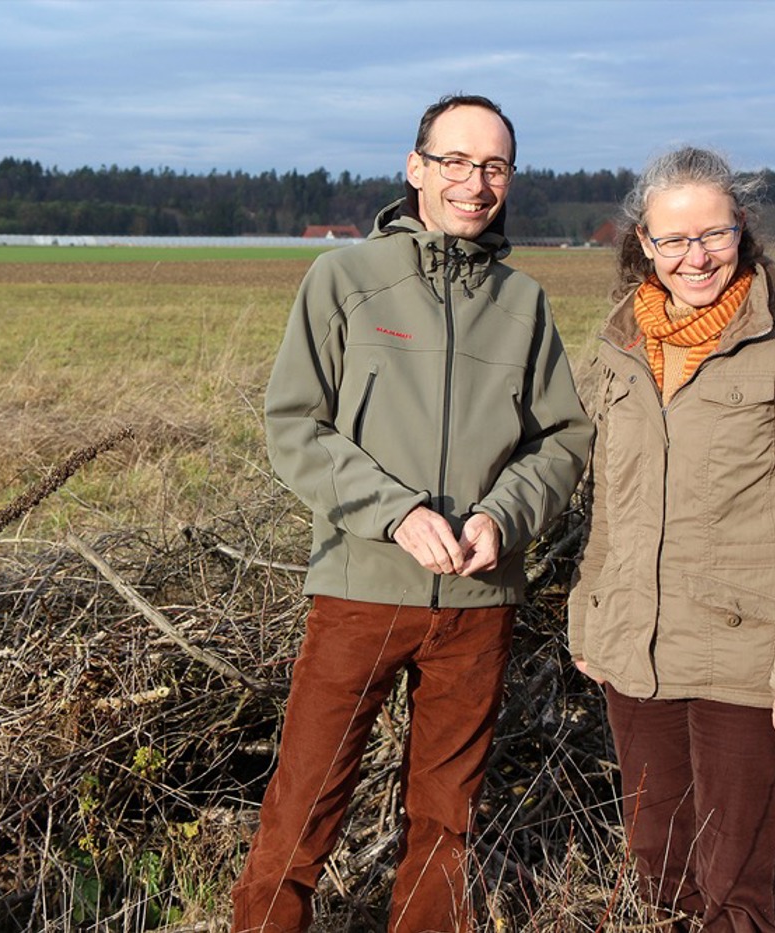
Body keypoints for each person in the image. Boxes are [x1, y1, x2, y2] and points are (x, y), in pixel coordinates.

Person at [231, 94, 593, 933]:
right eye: (457, 162)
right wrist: (394, 514)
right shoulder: (346, 279)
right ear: (416, 168)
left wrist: (504, 516)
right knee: (303, 806)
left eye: (495, 165)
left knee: (446, 821)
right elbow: (294, 424)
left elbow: (563, 440)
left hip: (478, 604)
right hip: (360, 591)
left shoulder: (524, 302)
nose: (476, 182)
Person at [568, 147, 775, 932]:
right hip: (636, 655)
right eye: (675, 240)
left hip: (747, 664)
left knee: (735, 890)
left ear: (743, 231)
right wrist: (589, 612)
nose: (695, 256)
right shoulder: (622, 344)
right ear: (644, 243)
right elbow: (610, 497)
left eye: (715, 234)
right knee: (661, 874)